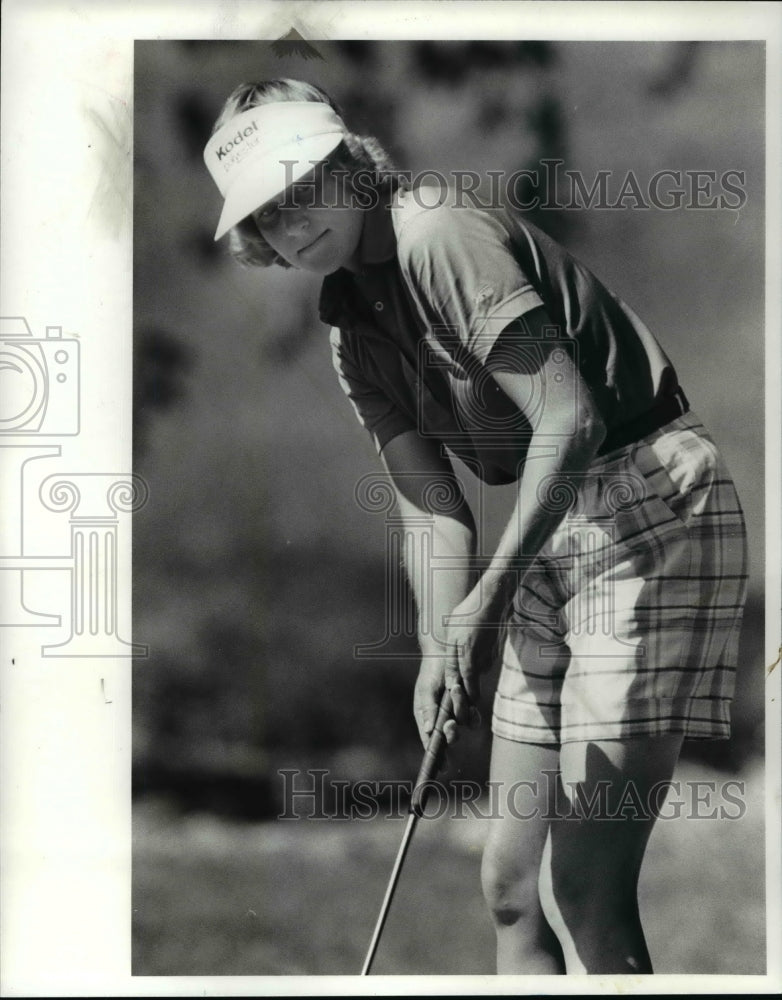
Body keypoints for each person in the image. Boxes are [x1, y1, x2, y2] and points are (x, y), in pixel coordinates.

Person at [203, 78, 749, 974]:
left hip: (650, 501)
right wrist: (437, 643)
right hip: (550, 522)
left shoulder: (435, 233)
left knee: (584, 884)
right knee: (510, 886)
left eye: (303, 190)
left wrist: (486, 602)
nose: (292, 225)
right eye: (266, 216)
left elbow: (569, 419)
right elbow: (430, 504)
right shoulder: (349, 326)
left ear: (350, 164)